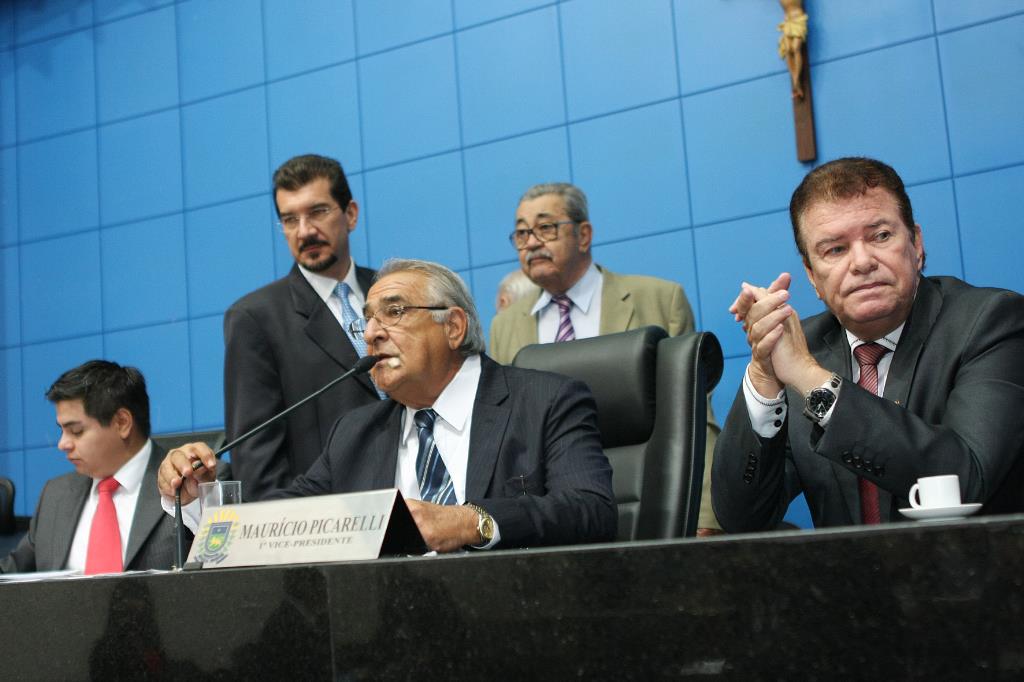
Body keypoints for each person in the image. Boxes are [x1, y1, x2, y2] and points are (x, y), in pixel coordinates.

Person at [160, 259, 617, 552]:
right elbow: (285, 520)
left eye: (394, 313)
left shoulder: (546, 401)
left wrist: (471, 521)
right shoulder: (356, 432)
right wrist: (200, 500)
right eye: (367, 321)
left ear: (454, 327)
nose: (372, 333)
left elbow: (591, 511)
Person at [713, 157, 1024, 532]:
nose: (862, 262)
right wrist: (764, 376)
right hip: (849, 571)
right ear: (811, 275)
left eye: (881, 236)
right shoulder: (799, 349)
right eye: (835, 249)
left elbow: (964, 478)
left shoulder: (991, 321)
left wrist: (812, 380)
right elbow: (743, 520)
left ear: (916, 244)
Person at [489, 182, 723, 534]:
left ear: (584, 235)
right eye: (522, 234)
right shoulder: (505, 325)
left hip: (651, 503)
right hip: (553, 518)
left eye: (545, 228)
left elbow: (696, 419)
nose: (532, 242)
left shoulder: (659, 299)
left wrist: (703, 518)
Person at [224, 154, 380, 502]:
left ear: (351, 214)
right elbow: (258, 466)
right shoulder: (255, 318)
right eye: (290, 219)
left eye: (318, 212)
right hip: (332, 516)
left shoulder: (393, 290)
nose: (305, 231)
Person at [1, 361, 184, 574]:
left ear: (122, 422)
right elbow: (10, 572)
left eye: (76, 431)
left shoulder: (187, 484)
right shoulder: (54, 495)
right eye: (62, 430)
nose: (62, 444)